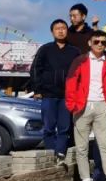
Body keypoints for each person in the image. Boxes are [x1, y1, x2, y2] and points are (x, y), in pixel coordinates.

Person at [65, 30, 106, 181]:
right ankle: (85, 178)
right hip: (82, 106)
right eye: (96, 41)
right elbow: (71, 82)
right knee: (82, 147)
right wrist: (72, 105)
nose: (100, 44)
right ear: (90, 43)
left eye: (103, 42)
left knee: (105, 145)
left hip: (102, 106)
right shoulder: (80, 60)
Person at [31, 19, 81, 165]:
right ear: (52, 32)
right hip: (48, 94)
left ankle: (60, 153)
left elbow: (80, 73)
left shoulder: (74, 51)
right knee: (49, 127)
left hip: (67, 95)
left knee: (65, 127)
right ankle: (50, 154)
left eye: (63, 28)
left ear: (67, 31)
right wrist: (37, 89)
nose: (60, 31)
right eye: (57, 28)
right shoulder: (45, 49)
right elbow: (35, 69)